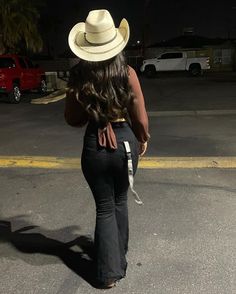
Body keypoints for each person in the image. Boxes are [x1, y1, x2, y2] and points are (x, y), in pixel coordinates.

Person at [64, 9, 150, 289]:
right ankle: (119, 257)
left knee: (104, 208)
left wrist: (92, 112)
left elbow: (72, 119)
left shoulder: (78, 77)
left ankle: (108, 274)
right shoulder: (127, 72)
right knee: (120, 201)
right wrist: (143, 137)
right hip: (126, 142)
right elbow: (140, 116)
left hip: (95, 145)